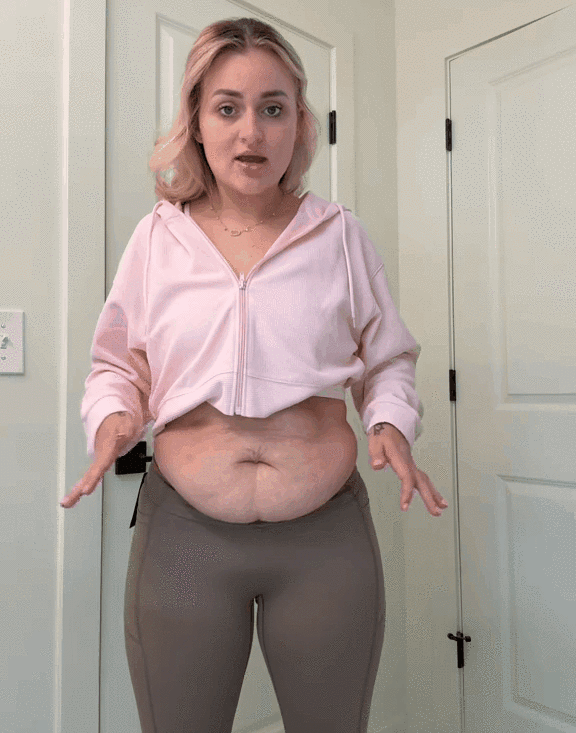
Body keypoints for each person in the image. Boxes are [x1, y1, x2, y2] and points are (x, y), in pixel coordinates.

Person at [60, 16, 448, 733]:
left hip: (325, 543)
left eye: (273, 108)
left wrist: (390, 420)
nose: (251, 133)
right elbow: (119, 363)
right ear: (197, 121)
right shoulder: (158, 238)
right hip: (185, 539)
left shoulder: (338, 235)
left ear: (298, 122)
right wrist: (114, 417)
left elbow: (388, 357)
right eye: (227, 108)